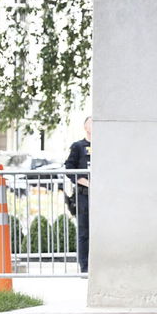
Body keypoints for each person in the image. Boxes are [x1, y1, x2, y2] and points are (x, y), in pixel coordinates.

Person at [63, 117, 92, 272]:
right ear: (85, 126)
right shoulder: (78, 146)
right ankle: (85, 267)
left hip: (103, 197)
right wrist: (84, 182)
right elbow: (69, 168)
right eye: (91, 122)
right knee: (84, 232)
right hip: (84, 195)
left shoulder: (105, 146)